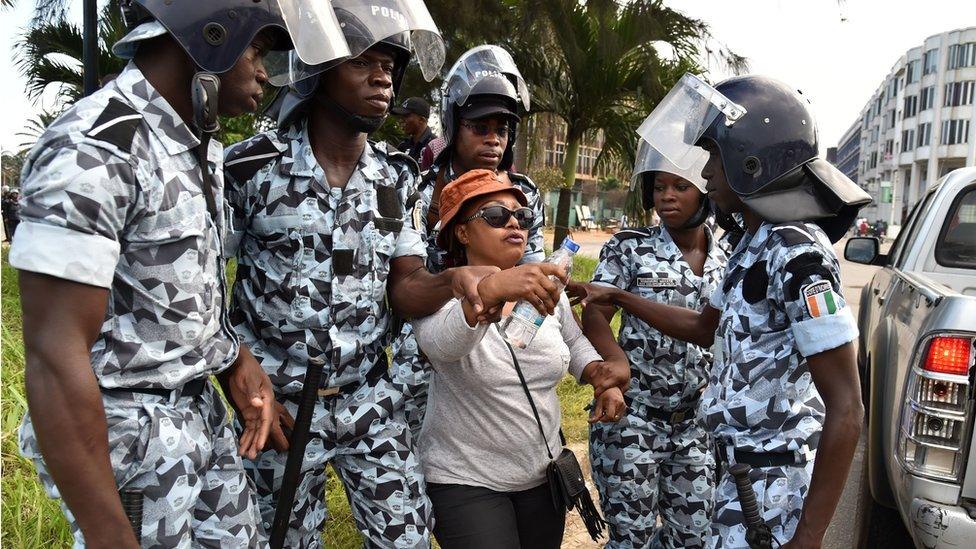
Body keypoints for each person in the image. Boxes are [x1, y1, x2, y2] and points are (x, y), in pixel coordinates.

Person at [221, 4, 568, 546]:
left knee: (408, 534)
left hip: (368, 401)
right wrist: (234, 362)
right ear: (319, 68)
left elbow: (405, 288)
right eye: (364, 61)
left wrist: (456, 280)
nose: (383, 76)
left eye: (390, 64)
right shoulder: (251, 168)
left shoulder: (396, 178)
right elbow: (199, 284)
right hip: (282, 410)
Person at [9, 1, 297, 546]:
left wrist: (233, 357)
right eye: (256, 51)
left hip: (199, 419)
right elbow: (53, 353)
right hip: (130, 442)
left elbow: (173, 289)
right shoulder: (94, 147)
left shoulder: (193, 145)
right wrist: (106, 531)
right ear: (209, 38)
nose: (264, 72)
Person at [570, 73, 870, 548]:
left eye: (712, 158)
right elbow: (704, 326)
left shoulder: (797, 255)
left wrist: (809, 536)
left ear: (751, 162)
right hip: (736, 472)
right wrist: (620, 298)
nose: (705, 173)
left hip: (776, 482)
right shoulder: (753, 246)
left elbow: (848, 409)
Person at [392, 45, 599, 443]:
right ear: (455, 126)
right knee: (423, 464)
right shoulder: (418, 190)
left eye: (501, 131)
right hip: (426, 350)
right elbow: (405, 286)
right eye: (480, 128)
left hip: (499, 347)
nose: (493, 141)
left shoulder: (523, 193)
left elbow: (530, 270)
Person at [411, 168, 626, 549]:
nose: (514, 223)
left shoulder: (545, 289)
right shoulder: (438, 293)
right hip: (465, 480)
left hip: (539, 477)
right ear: (462, 232)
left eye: (522, 217)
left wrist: (599, 377)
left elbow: (573, 344)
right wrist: (491, 290)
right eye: (496, 216)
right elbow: (442, 346)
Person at [572, 141, 728, 548]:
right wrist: (615, 359)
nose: (667, 196)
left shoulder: (729, 256)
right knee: (632, 539)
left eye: (680, 186)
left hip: (694, 425)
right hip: (633, 421)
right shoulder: (629, 247)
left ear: (705, 191)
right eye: (660, 187)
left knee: (694, 538)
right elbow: (595, 312)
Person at [392, 96, 435, 162]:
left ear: (421, 120)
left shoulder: (436, 147)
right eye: (400, 116)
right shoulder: (403, 146)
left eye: (406, 116)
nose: (401, 120)